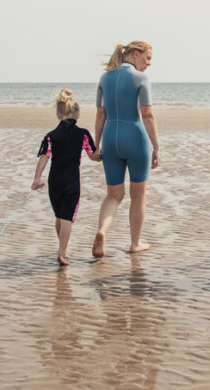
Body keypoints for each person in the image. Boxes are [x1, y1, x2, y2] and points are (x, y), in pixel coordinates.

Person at [91, 41, 160, 257]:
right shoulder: (140, 78)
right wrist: (156, 146)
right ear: (136, 54)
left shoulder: (105, 77)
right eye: (147, 58)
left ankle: (102, 231)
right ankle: (135, 243)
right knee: (138, 195)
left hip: (111, 138)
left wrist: (97, 143)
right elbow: (147, 114)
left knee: (113, 194)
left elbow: (100, 114)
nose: (149, 63)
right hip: (135, 138)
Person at [32, 89, 96, 266]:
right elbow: (93, 155)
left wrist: (36, 179)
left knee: (60, 217)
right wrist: (107, 155)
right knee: (67, 218)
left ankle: (61, 247)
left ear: (58, 114)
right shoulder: (83, 133)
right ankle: (62, 252)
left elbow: (44, 157)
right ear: (78, 114)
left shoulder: (51, 136)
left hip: (55, 182)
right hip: (72, 182)